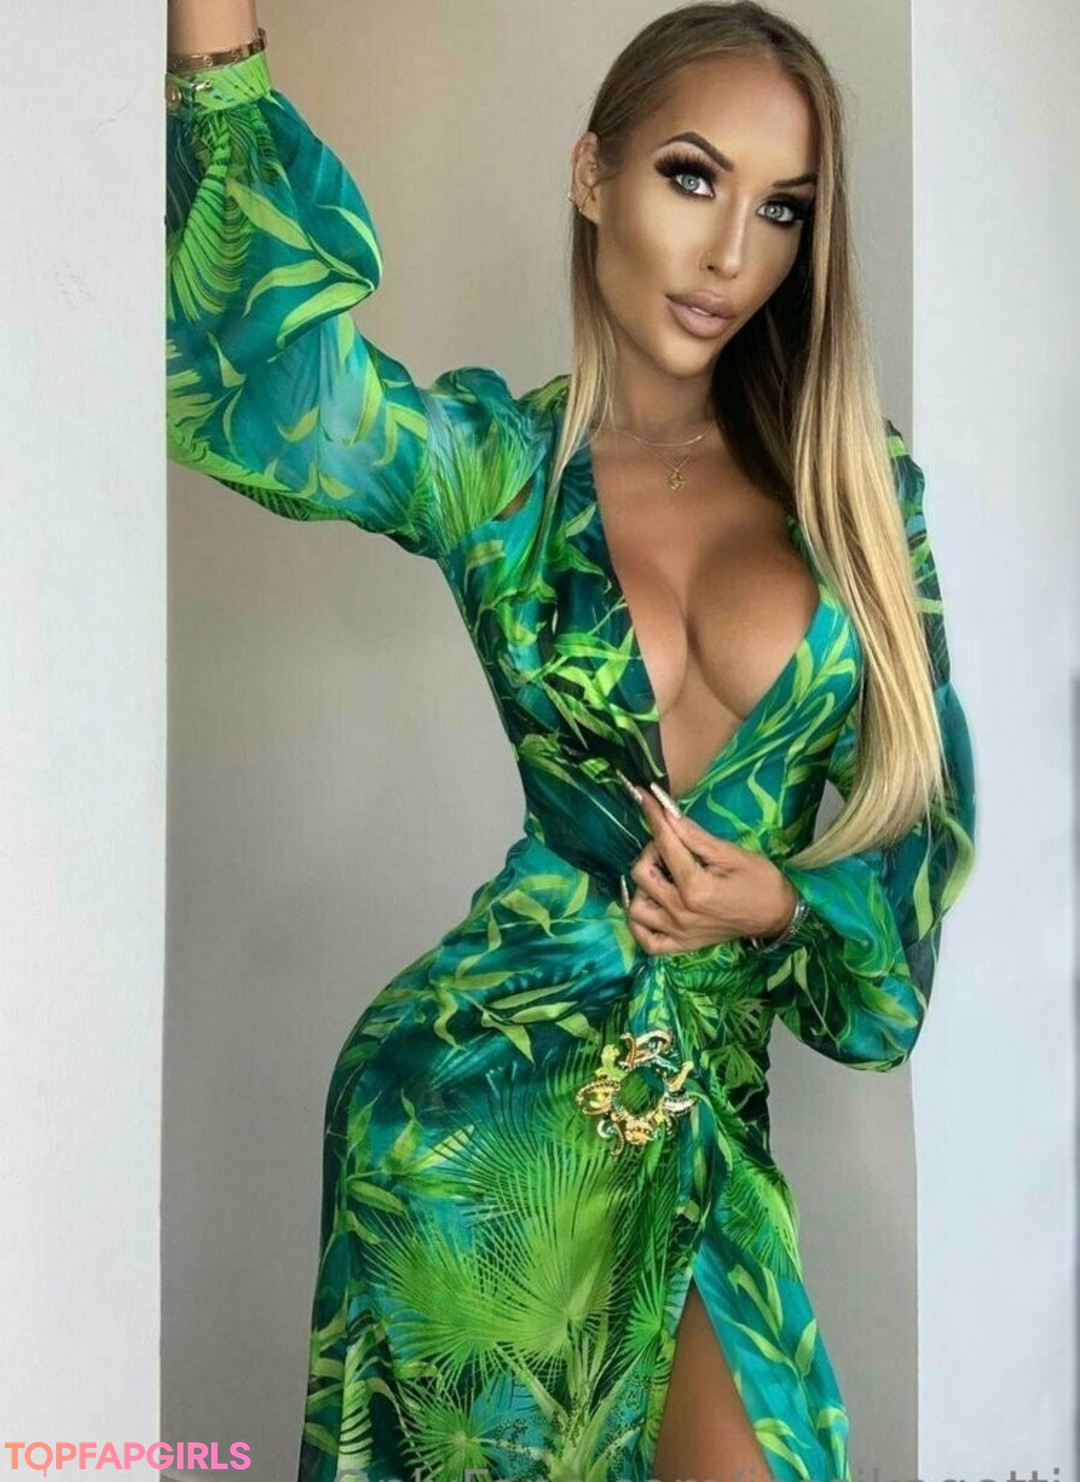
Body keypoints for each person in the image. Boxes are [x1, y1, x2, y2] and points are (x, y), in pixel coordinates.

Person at [164, 1, 977, 1478]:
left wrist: (782, 902)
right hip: (475, 1132)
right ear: (592, 174)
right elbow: (271, 383)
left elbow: (918, 830)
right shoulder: (500, 472)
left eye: (782, 208)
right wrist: (213, 47)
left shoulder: (861, 493)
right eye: (692, 177)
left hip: (702, 1110)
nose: (732, 254)